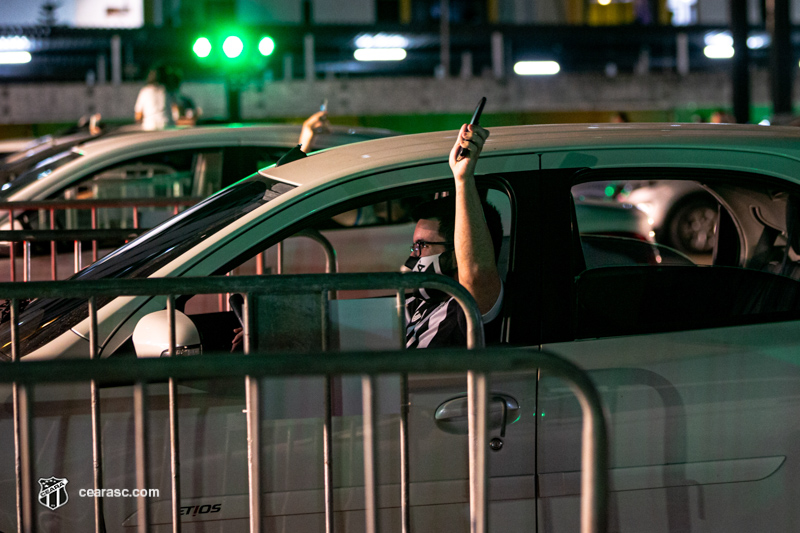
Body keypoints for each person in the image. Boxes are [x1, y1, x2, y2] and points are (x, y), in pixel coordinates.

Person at [403, 123, 504, 348]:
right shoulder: (418, 303)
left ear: (457, 251)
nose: (413, 256)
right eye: (413, 247)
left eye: (421, 245)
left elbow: (476, 272)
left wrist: (463, 180)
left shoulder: (467, 308)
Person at [134, 66, 177, 131]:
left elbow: (138, 115)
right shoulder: (167, 91)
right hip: (166, 124)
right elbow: (176, 109)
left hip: (150, 126)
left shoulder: (144, 91)